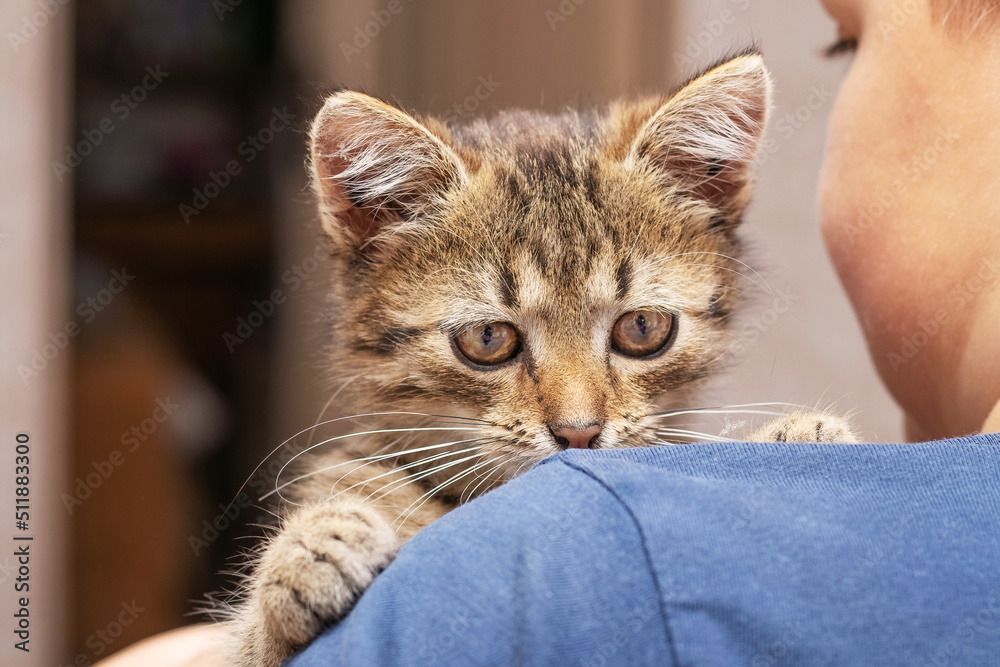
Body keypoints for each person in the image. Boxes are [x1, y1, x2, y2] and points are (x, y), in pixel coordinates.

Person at [96, 0, 1000, 664]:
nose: (578, 415)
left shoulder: (637, 531)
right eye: (490, 341)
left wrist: (774, 494)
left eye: (639, 331)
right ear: (371, 227)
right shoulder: (366, 507)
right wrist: (268, 626)